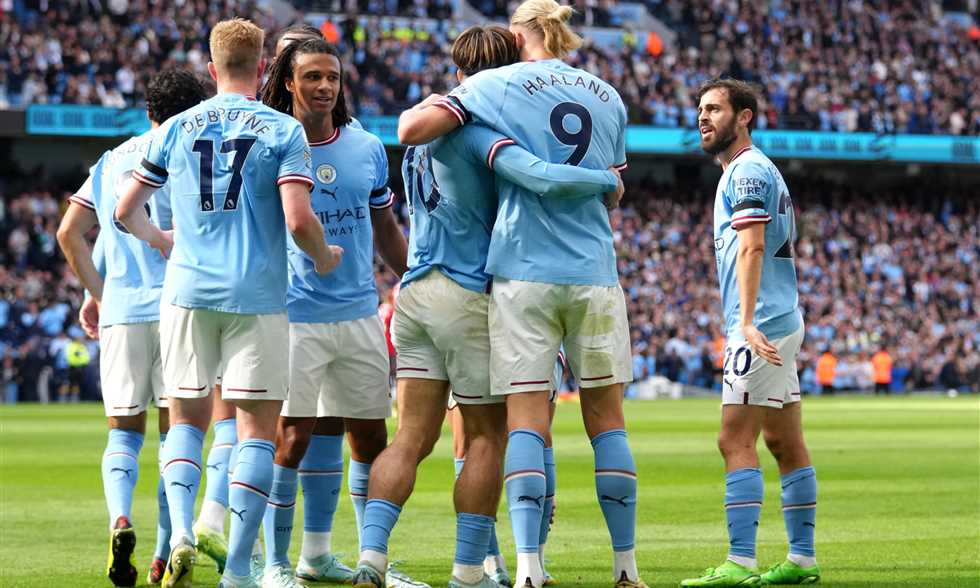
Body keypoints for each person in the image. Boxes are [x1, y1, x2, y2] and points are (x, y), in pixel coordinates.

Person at [360, 17, 630, 588]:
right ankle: (473, 569)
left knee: (410, 438)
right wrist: (605, 181)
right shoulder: (478, 132)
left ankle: (371, 559)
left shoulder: (424, 134)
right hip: (468, 290)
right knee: (490, 435)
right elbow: (538, 176)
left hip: (415, 290)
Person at [115, 18, 342, 588]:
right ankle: (238, 569)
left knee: (186, 422)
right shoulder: (283, 130)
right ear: (263, 66)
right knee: (254, 432)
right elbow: (299, 220)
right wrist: (324, 258)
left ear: (212, 67)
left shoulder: (176, 127)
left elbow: (124, 210)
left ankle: (182, 532)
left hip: (187, 293)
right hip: (257, 296)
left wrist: (161, 240)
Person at [257, 38, 408, 588]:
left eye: (332, 77)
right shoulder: (271, 145)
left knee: (369, 439)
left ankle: (368, 562)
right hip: (294, 315)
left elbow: (384, 226)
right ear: (289, 82)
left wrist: (411, 276)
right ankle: (275, 564)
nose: (324, 87)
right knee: (292, 437)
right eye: (312, 76)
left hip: (360, 313)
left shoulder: (366, 147)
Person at [56, 69, 208, 587]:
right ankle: (171, 547)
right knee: (178, 432)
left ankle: (120, 519)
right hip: (181, 307)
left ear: (148, 111)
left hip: (122, 311)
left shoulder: (111, 160)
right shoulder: (196, 152)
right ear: (197, 111)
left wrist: (98, 294)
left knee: (123, 432)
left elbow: (70, 233)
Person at [680, 78, 820, 587]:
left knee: (733, 438)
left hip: (759, 325)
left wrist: (744, 321)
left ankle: (739, 561)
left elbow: (753, 245)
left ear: (744, 117)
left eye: (715, 109)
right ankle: (801, 560)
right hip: (779, 320)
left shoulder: (747, 172)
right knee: (784, 440)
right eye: (701, 109)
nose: (703, 117)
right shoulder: (749, 170)